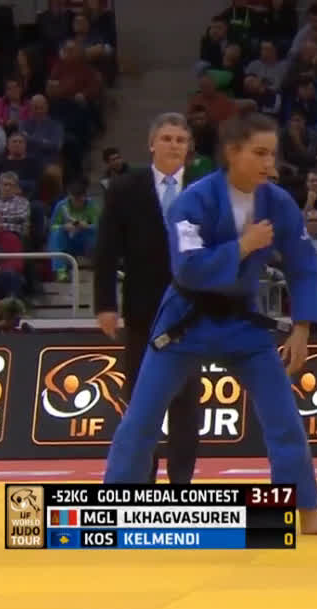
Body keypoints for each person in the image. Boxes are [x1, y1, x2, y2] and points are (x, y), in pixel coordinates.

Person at [102, 111, 317, 537]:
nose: (268, 163)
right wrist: (243, 246)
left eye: (272, 154)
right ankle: (112, 508)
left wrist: (303, 327)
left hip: (242, 323)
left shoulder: (277, 202)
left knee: (284, 418)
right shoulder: (193, 201)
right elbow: (188, 269)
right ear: (233, 152)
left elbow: (304, 266)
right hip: (186, 320)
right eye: (259, 153)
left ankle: (306, 511)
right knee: (142, 420)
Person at [94, 113, 202, 485]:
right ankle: (143, 478)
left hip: (191, 313)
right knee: (142, 402)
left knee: (186, 404)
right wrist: (105, 305)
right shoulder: (125, 188)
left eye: (181, 140)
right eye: (167, 138)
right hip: (143, 311)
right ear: (151, 143)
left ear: (189, 148)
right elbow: (106, 250)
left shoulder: (204, 190)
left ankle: (182, 482)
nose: (174, 145)